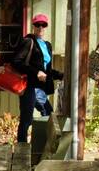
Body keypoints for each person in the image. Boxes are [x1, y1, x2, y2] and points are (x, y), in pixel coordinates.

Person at [10, 13, 62, 144]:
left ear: (46, 27)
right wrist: (36, 72)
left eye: (43, 25)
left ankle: (41, 145)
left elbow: (47, 70)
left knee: (48, 114)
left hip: (40, 88)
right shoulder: (28, 41)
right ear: (33, 26)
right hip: (28, 86)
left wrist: (62, 75)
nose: (40, 27)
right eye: (37, 25)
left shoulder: (47, 45)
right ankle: (21, 148)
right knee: (27, 119)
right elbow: (17, 62)